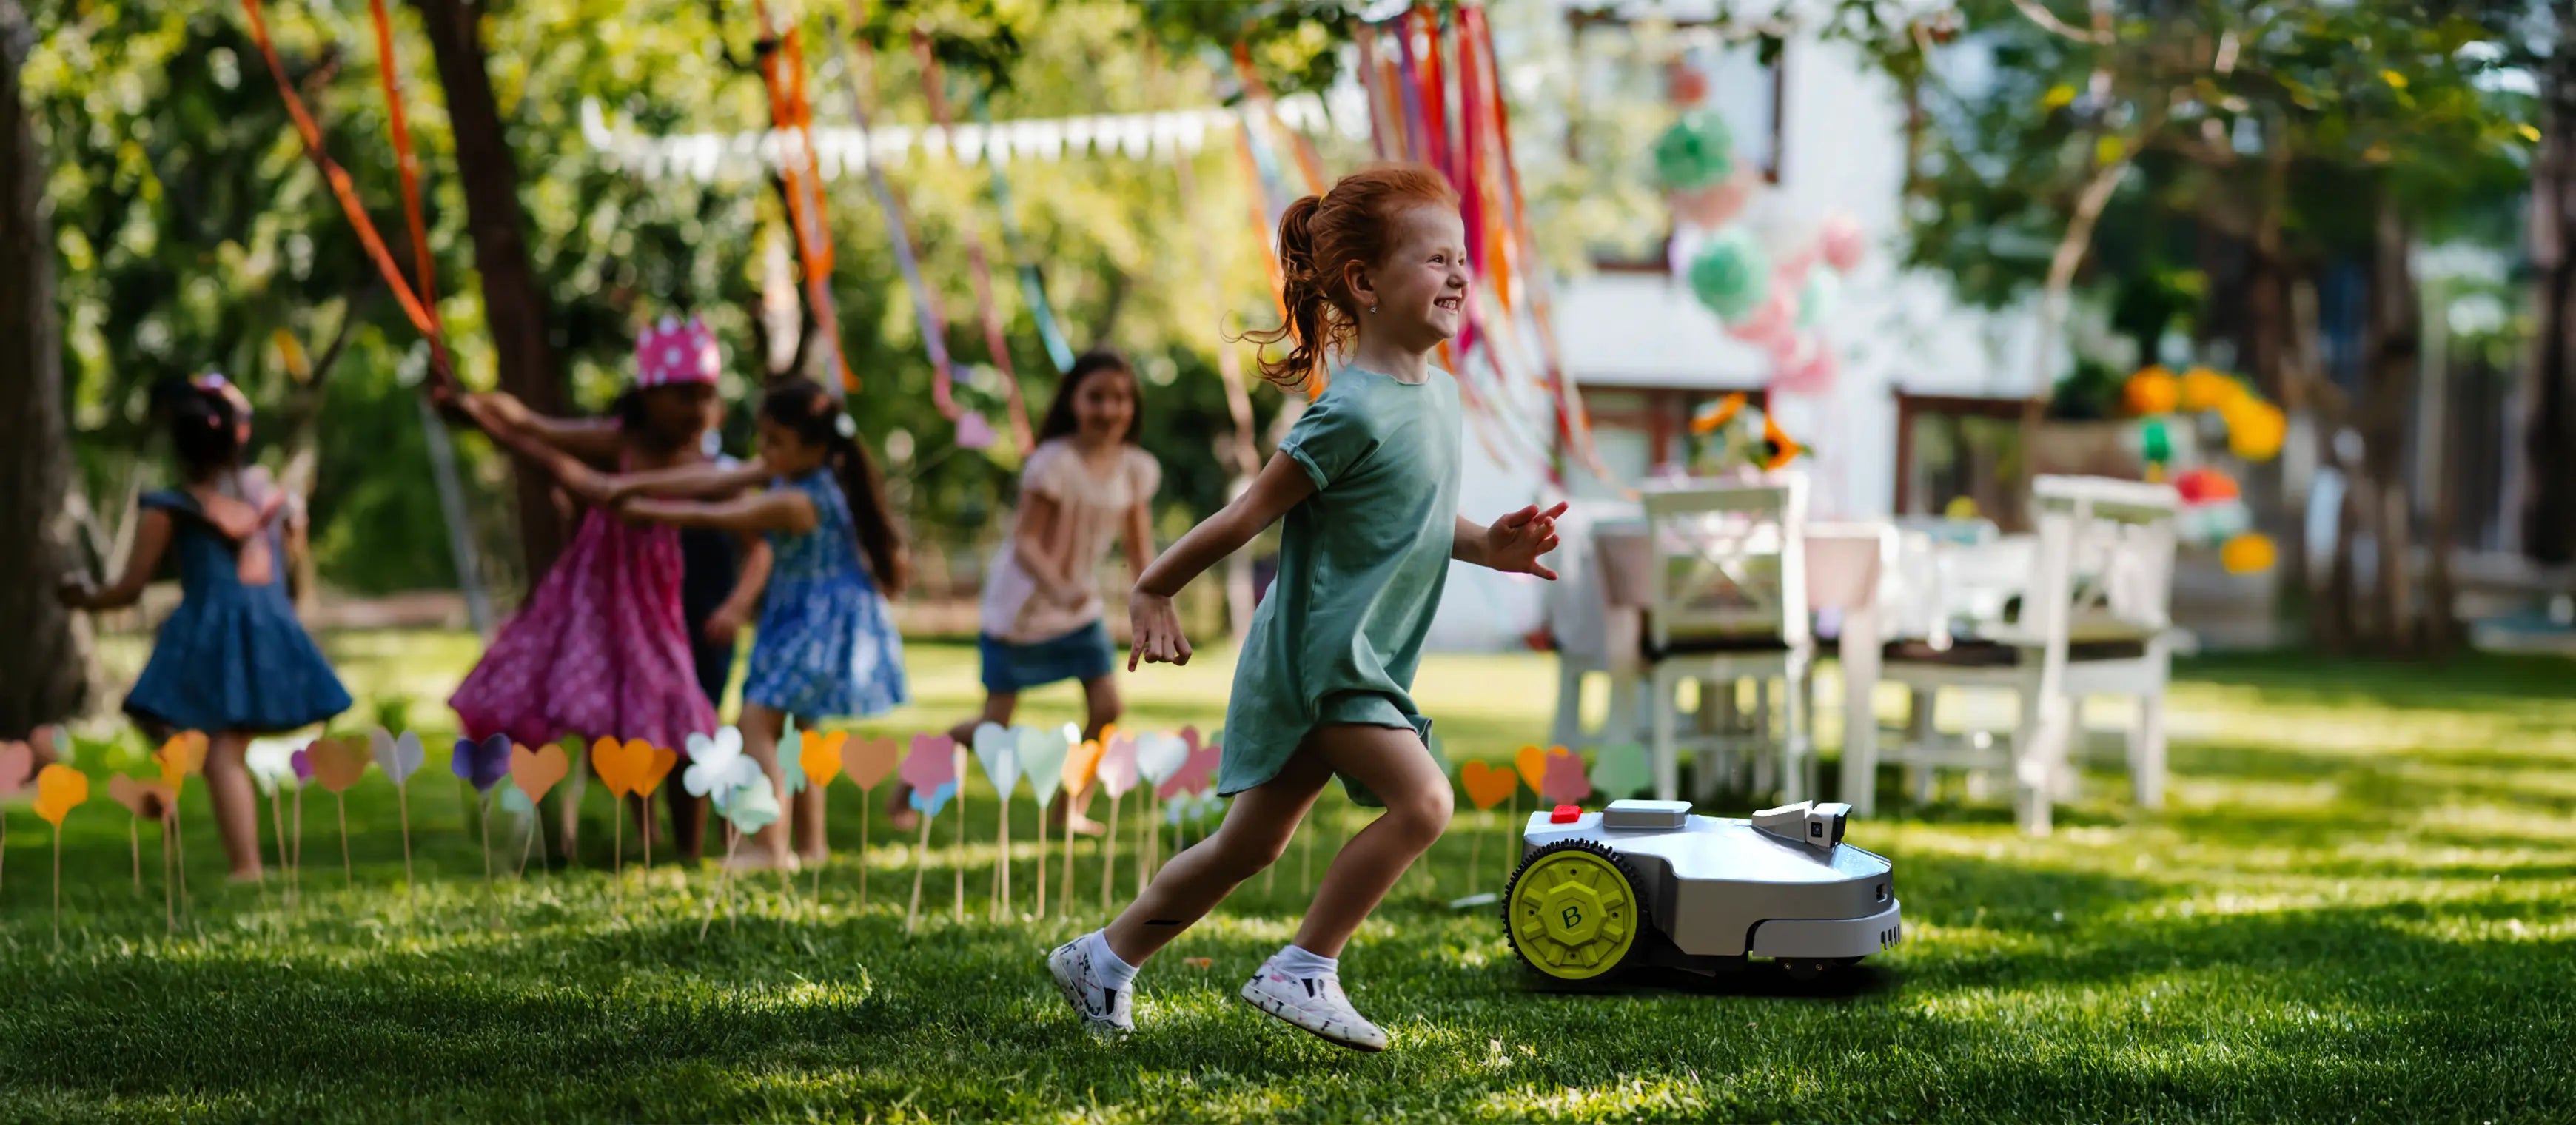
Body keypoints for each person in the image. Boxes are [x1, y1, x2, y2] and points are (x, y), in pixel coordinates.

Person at [1048, 165, 1563, 1051]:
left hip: (1357, 654)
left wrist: (1492, 547)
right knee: (1425, 802)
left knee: (1248, 848)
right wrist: (1153, 584)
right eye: (1434, 258)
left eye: (1461, 260)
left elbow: (1420, 518)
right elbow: (1247, 514)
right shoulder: (1347, 411)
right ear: (1365, 284)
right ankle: (1304, 968)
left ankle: (1103, 957)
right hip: (1326, 656)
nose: (1457, 276)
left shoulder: (1435, 396)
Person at [446, 315, 769, 862]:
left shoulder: (714, 472)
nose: (695, 409)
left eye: (706, 395)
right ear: (647, 397)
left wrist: (737, 606)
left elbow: (757, 544)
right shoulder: (617, 443)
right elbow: (540, 433)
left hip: (691, 607)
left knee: (686, 720)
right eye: (682, 395)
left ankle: (691, 846)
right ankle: (639, 837)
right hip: (604, 611)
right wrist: (485, 412)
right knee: (621, 722)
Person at [58, 375, 353, 880]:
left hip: (211, 633)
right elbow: (291, 561)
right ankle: (192, 803)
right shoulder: (271, 498)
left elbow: (129, 589)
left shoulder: (169, 508)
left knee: (218, 748)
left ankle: (246, 866)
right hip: (268, 627)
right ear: (239, 435)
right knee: (198, 733)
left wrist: (82, 596)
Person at [609, 379, 909, 869]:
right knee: (798, 731)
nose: (764, 451)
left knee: (756, 722)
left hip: (814, 624)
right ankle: (811, 847)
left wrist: (642, 507)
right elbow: (709, 481)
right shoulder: (799, 475)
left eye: (776, 442)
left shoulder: (796, 500)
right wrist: (629, 485)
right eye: (763, 438)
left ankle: (768, 845)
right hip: (807, 619)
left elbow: (720, 513)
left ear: (812, 447)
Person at [890, 349, 1159, 835]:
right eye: (1096, 397)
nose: (1109, 409)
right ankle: (908, 786)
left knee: (1108, 708)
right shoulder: (1053, 463)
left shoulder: (1135, 468)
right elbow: (1026, 542)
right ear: (1073, 402)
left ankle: (1070, 809)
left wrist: (1158, 598)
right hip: (1025, 608)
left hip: (1079, 608)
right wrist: (1057, 586)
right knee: (994, 729)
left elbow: (1141, 549)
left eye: (1120, 399)